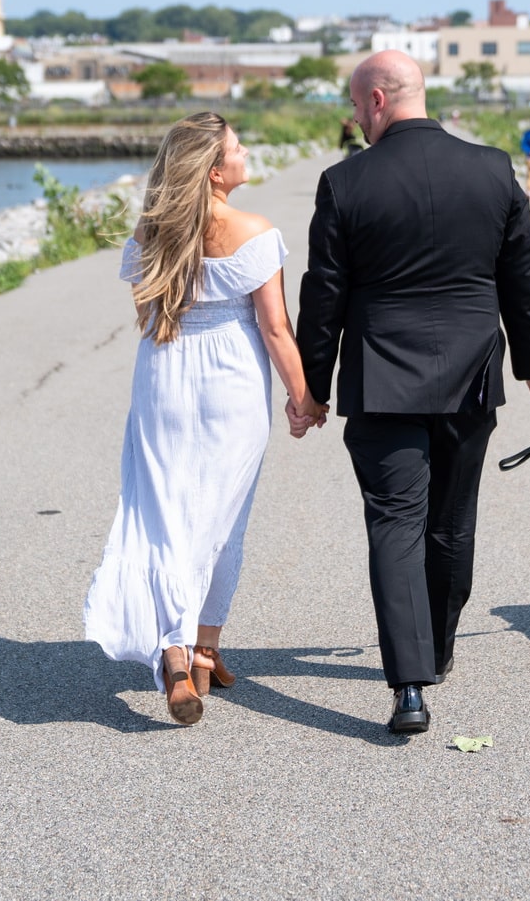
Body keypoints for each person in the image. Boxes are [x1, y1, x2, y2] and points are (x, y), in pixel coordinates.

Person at [297, 51, 530, 736]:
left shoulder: (344, 181)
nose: (353, 117)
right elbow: (521, 278)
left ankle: (410, 686)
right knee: (451, 519)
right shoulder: (491, 168)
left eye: (356, 105)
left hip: (382, 380)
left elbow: (323, 296)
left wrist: (310, 387)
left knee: (395, 523)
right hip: (471, 377)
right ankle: (439, 647)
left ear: (378, 99)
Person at [83, 112, 320, 726]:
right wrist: (304, 399)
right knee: (220, 516)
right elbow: (274, 328)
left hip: (162, 374)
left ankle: (181, 655)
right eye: (238, 148)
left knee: (162, 512)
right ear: (216, 172)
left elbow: (149, 307)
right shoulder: (255, 232)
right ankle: (202, 647)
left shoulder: (151, 234)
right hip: (232, 382)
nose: (246, 154)